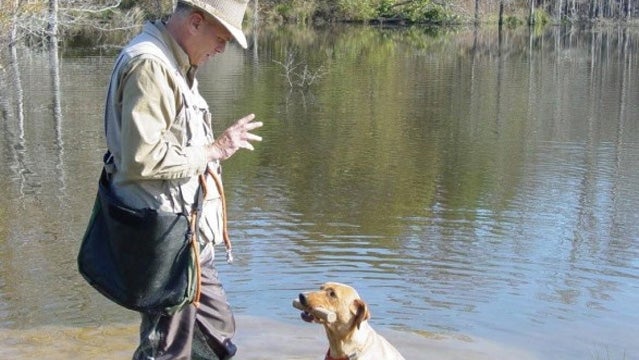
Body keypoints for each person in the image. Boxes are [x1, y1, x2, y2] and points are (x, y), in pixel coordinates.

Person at [102, 0, 262, 359]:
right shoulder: (150, 65)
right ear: (194, 22)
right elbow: (141, 160)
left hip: (186, 238)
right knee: (167, 348)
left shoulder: (175, 63)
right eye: (221, 37)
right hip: (164, 237)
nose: (222, 48)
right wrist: (215, 149)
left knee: (216, 336)